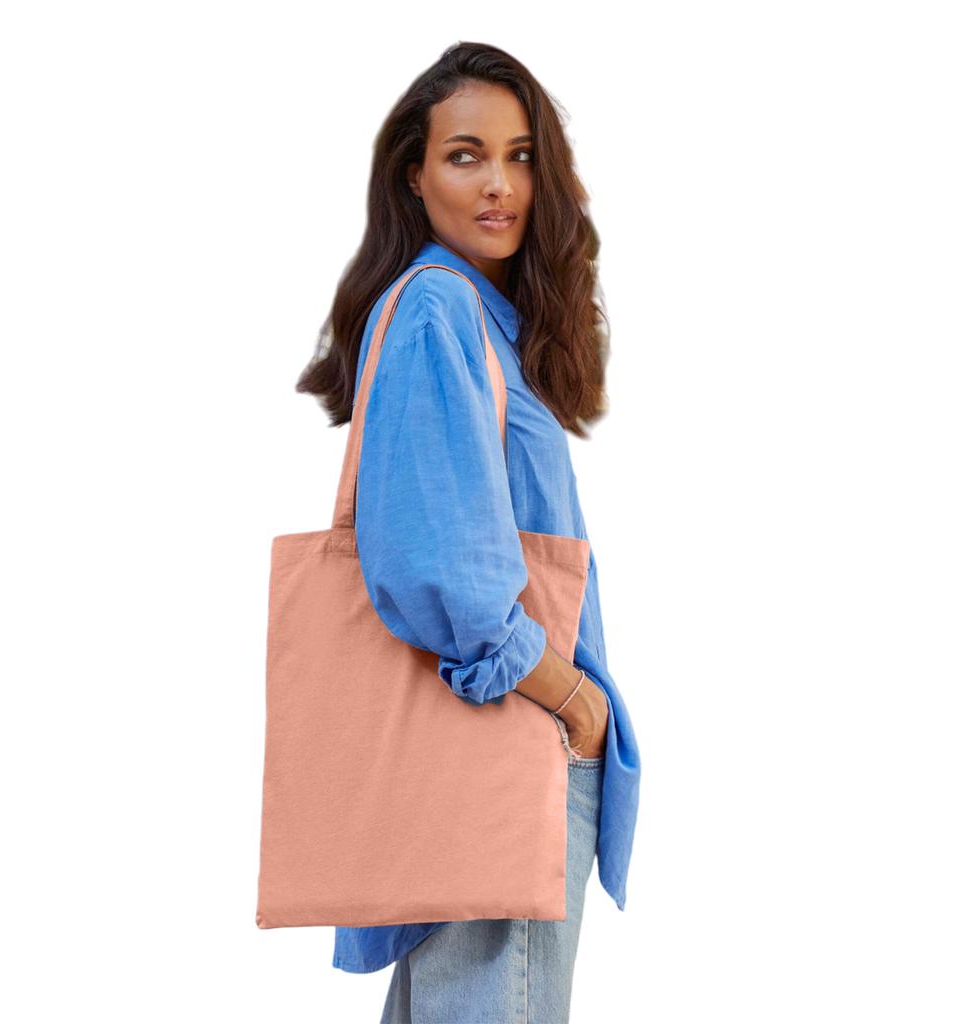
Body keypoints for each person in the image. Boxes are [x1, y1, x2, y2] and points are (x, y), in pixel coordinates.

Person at [295, 41, 641, 1023]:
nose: (499, 184)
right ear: (414, 174)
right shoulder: (439, 307)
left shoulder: (480, 318)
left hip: (487, 751)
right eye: (465, 155)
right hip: (504, 753)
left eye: (520, 156)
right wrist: (572, 700)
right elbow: (437, 563)